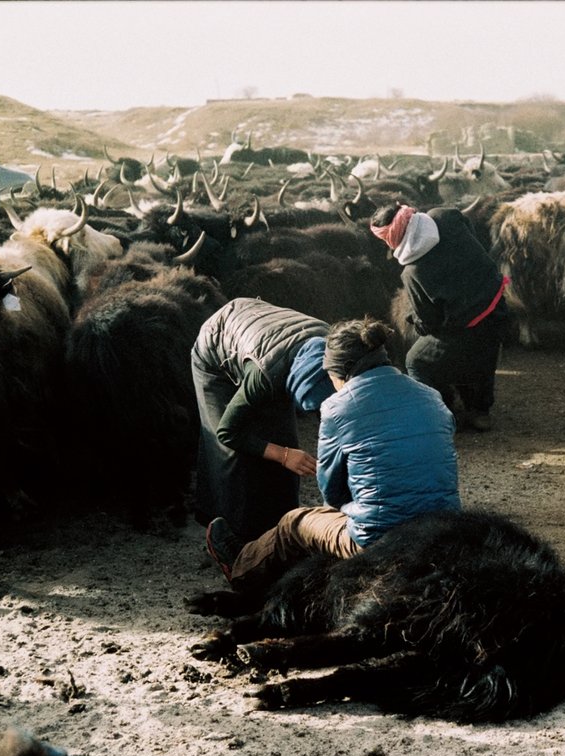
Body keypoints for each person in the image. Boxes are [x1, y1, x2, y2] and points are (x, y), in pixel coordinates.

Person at [214, 317, 461, 598]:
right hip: (443, 528)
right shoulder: (430, 395)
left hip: (380, 539)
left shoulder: (336, 408)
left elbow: (332, 494)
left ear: (339, 371)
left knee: (296, 523)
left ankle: (241, 569)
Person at [191, 298, 336, 571]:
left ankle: (280, 533)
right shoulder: (265, 377)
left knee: (284, 442)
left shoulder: (336, 353)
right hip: (217, 349)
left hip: (271, 343)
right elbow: (227, 432)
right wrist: (283, 455)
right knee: (234, 457)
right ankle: (232, 541)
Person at [369, 202, 509, 432]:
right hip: (496, 302)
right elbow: (471, 232)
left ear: (390, 238)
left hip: (466, 327)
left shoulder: (413, 272)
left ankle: (434, 417)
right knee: (486, 352)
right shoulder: (445, 216)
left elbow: (429, 323)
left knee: (416, 360)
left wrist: (414, 320)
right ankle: (481, 411)